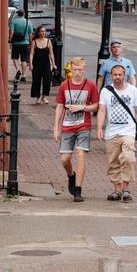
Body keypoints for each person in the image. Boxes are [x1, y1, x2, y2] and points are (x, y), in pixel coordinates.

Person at [96, 64, 137, 203]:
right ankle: (117, 190)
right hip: (112, 132)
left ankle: (126, 189)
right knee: (113, 162)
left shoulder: (133, 90)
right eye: (115, 75)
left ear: (124, 75)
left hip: (128, 131)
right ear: (111, 76)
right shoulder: (106, 91)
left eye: (120, 75)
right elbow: (102, 110)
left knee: (127, 157)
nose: (118, 77)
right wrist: (99, 128)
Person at [53, 57, 99, 203]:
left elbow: (96, 105)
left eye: (80, 70)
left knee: (80, 154)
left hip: (83, 125)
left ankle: (78, 189)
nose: (77, 73)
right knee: (65, 159)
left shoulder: (90, 85)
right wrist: (56, 128)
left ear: (84, 70)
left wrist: (82, 107)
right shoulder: (64, 86)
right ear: (71, 70)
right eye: (75, 70)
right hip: (67, 126)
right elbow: (60, 106)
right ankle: (71, 176)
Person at [28, 24, 56, 105]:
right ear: (38, 32)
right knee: (36, 81)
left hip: (46, 64)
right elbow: (31, 54)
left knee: (47, 80)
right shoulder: (34, 42)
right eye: (42, 31)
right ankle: (38, 98)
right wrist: (31, 64)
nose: (43, 33)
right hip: (36, 64)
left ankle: (44, 96)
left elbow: (51, 54)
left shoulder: (48, 41)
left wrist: (53, 64)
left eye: (44, 31)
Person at [8, 9, 32, 81]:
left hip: (16, 43)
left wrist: (10, 40)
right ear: (24, 14)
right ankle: (23, 75)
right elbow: (30, 35)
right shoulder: (28, 22)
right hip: (25, 43)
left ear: (17, 14)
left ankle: (18, 70)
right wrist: (30, 43)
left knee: (15, 58)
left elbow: (11, 32)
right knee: (24, 60)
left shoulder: (14, 21)